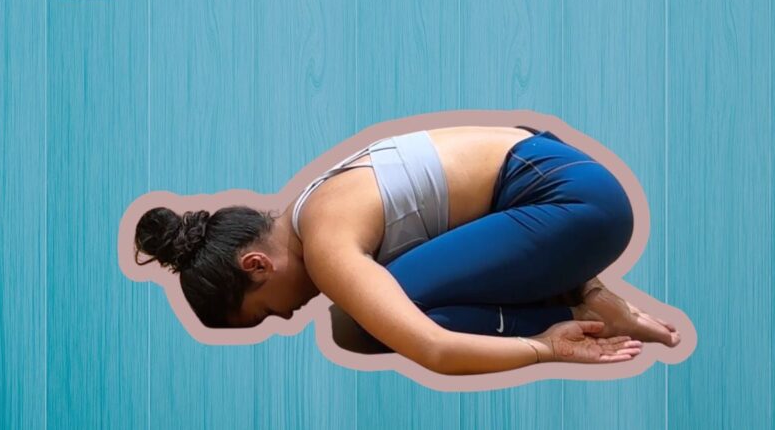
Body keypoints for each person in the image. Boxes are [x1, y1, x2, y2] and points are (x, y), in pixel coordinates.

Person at [133, 126, 681, 375]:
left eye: (270, 309)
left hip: (572, 201)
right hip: (566, 183)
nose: (289, 315)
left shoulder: (325, 241)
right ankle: (589, 297)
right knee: (372, 311)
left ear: (256, 264)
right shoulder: (317, 200)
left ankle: (580, 312)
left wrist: (546, 346)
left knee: (359, 325)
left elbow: (435, 351)